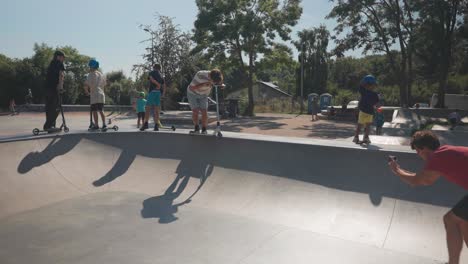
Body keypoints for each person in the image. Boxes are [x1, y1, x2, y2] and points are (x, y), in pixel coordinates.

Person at [388, 131, 468, 264]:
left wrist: (396, 171)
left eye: (417, 151)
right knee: (464, 221)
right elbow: (421, 177)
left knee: (450, 220)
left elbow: (419, 181)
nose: (419, 155)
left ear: (424, 149)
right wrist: (401, 170)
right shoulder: (446, 153)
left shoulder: (437, 158)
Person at [187, 69, 224, 134]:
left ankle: (204, 129)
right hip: (192, 93)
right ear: (210, 76)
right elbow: (191, 88)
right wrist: (203, 85)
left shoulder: (215, 77)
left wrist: (221, 85)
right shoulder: (200, 75)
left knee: (204, 111)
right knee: (196, 111)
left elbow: (218, 81)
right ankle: (196, 129)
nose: (213, 83)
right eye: (213, 82)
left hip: (204, 94)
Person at [43, 50, 65, 132]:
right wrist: (61, 87)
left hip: (47, 88)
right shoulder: (59, 63)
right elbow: (61, 76)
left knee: (49, 107)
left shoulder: (51, 63)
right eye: (63, 57)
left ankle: (50, 126)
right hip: (54, 88)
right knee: (57, 107)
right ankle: (48, 126)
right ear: (58, 57)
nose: (63, 59)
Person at [353, 75, 379, 144]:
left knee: (366, 125)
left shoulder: (370, 93)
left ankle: (365, 137)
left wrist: (376, 107)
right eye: (372, 85)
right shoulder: (365, 91)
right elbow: (360, 85)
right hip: (365, 111)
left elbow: (377, 102)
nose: (372, 87)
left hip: (368, 112)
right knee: (362, 125)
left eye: (373, 86)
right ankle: (357, 137)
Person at [84, 59, 107, 130]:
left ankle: (96, 125)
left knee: (94, 111)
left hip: (94, 94)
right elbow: (104, 84)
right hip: (101, 94)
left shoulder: (90, 74)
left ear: (91, 66)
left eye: (90, 66)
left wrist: (87, 92)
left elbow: (86, 85)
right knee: (101, 110)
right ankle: (104, 124)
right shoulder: (101, 74)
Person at [140, 64, 164, 131]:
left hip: (153, 92)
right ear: (159, 68)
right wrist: (162, 93)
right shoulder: (161, 75)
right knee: (156, 110)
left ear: (154, 68)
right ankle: (156, 126)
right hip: (158, 93)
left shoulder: (152, 72)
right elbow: (164, 85)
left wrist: (157, 84)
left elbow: (151, 79)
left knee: (147, 108)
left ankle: (146, 124)